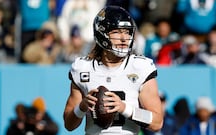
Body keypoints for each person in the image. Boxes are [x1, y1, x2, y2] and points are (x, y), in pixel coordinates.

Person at [63, 6, 163, 135]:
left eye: (127, 32)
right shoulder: (83, 68)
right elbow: (68, 125)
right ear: (102, 33)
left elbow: (157, 122)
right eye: (117, 31)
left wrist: (124, 108)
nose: (123, 38)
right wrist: (82, 107)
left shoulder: (140, 67)